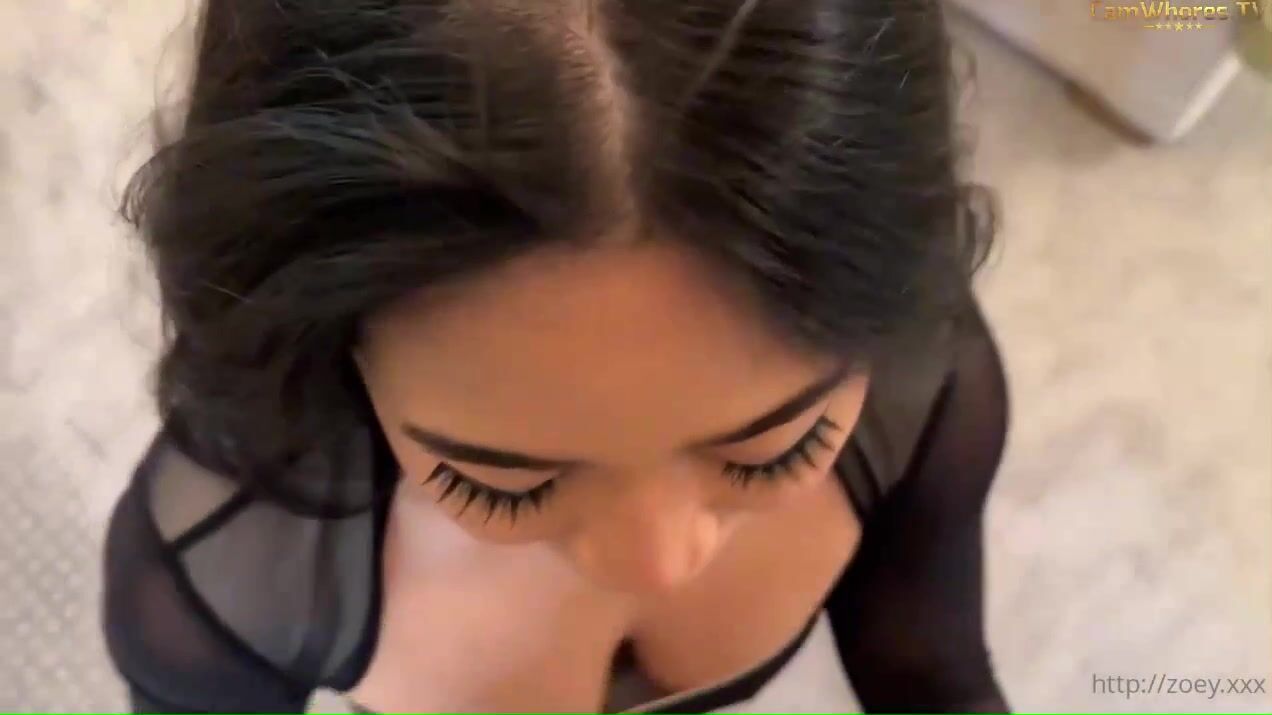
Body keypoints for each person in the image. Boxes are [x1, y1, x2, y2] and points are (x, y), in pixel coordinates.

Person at [101, 0, 1009, 711]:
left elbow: (933, 676)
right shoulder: (224, 575)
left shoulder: (923, 390)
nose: (657, 561)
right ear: (332, 350)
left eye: (780, 449)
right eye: (502, 485)